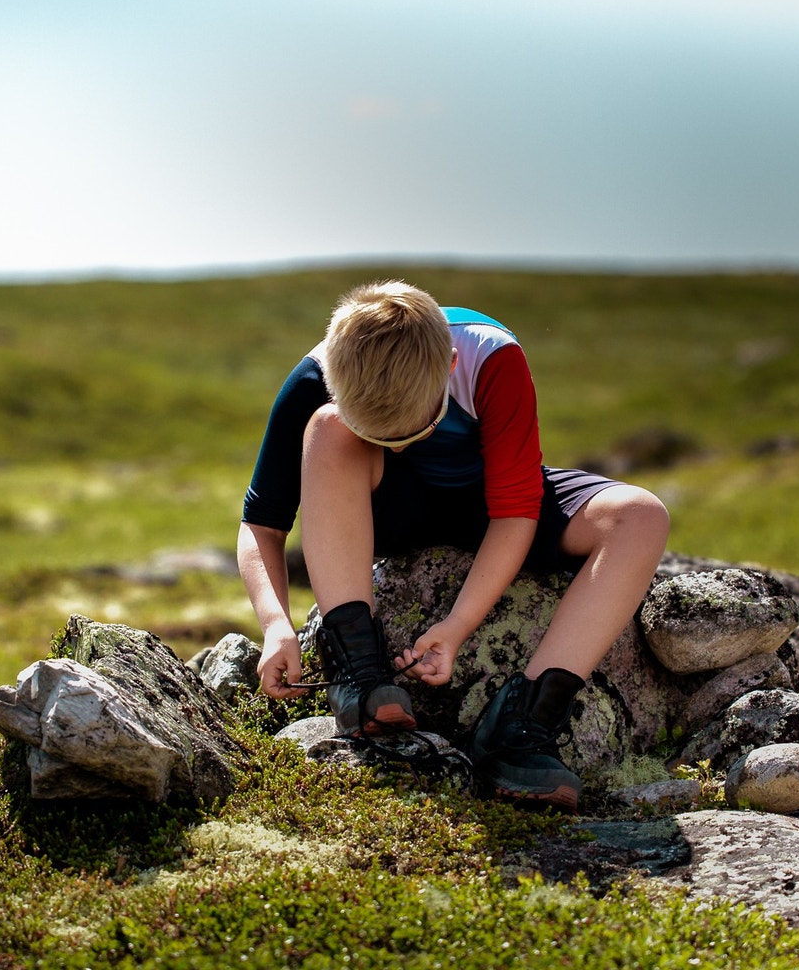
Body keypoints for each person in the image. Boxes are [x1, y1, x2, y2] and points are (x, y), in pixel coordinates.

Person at [237, 281, 668, 811]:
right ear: (334, 379)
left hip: (494, 504)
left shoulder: (493, 358)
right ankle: (359, 673)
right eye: (382, 435)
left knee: (641, 517)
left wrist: (458, 625)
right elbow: (262, 524)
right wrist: (275, 624)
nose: (402, 446)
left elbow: (515, 512)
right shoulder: (316, 377)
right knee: (327, 429)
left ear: (450, 366)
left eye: (418, 428)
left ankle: (521, 726)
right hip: (389, 512)